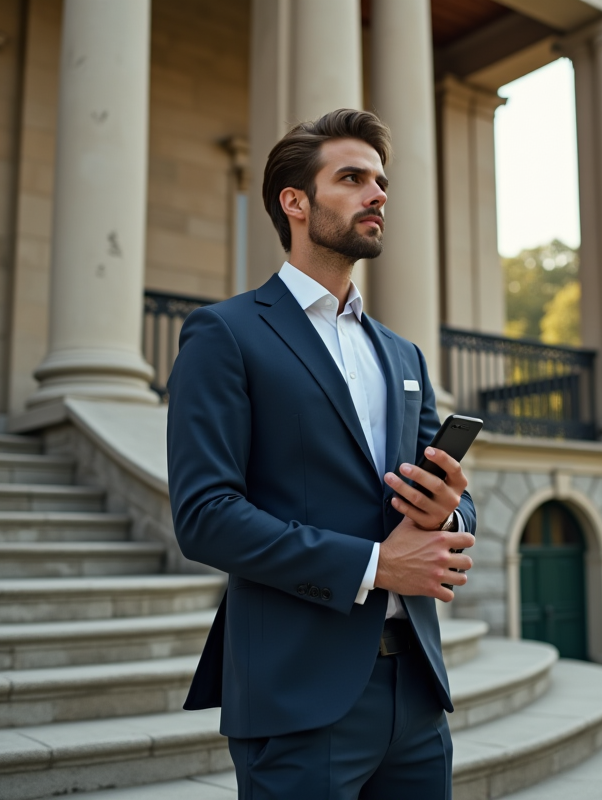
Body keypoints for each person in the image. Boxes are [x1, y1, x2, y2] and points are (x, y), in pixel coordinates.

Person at [166, 108, 477, 800]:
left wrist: (450, 514)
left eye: (382, 181)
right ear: (295, 203)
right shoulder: (225, 334)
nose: (378, 194)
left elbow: (456, 495)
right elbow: (206, 516)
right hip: (298, 699)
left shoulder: (402, 354)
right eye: (353, 178)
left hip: (418, 697)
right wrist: (376, 563)